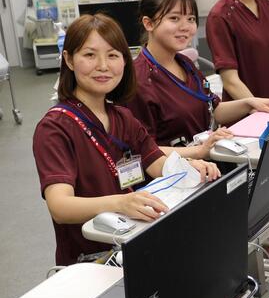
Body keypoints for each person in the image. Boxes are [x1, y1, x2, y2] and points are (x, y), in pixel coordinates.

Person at [33, 14, 220, 267]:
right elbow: (60, 206)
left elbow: (156, 162)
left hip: (136, 242)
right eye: (89, 55)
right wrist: (121, 202)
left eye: (112, 55)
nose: (103, 66)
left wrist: (190, 169)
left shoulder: (122, 117)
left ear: (124, 60)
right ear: (68, 59)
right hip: (93, 262)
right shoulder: (55, 128)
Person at [127, 0, 269, 158]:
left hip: (205, 166)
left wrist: (251, 103)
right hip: (172, 176)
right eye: (175, 18)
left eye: (191, 19)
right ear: (149, 23)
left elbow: (213, 109)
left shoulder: (185, 64)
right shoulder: (138, 80)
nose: (185, 27)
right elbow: (141, 150)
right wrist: (200, 149)